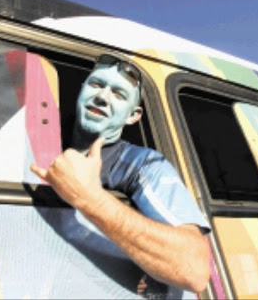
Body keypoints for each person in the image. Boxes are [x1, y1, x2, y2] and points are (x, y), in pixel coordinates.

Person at [31, 54, 211, 296]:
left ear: (133, 116)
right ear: (81, 91)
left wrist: (89, 197)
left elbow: (195, 270)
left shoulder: (143, 165)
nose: (102, 97)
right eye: (96, 84)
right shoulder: (34, 138)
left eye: (119, 94)